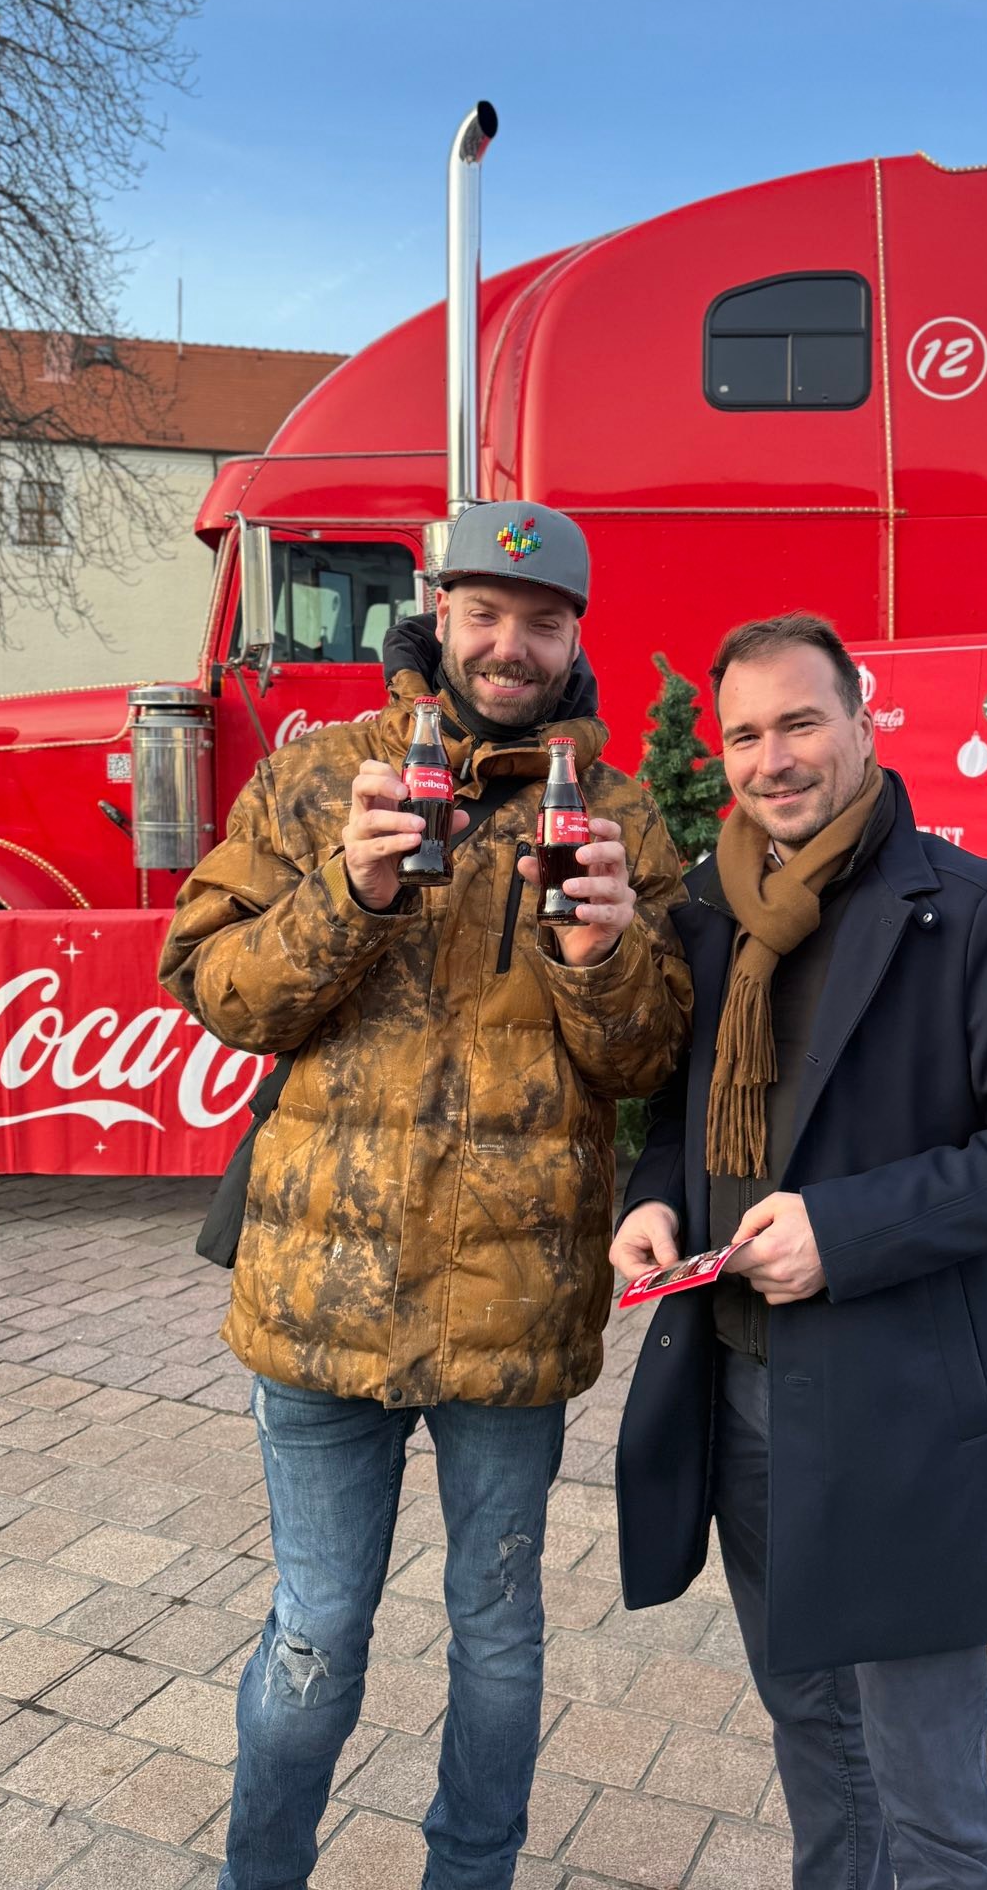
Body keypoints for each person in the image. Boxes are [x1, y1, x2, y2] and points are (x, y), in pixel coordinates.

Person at [159, 501, 691, 1890]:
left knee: (499, 1632)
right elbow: (212, 986)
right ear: (438, 615)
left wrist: (600, 952)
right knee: (317, 1630)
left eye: (544, 620)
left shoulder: (620, 813)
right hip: (319, 1304)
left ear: (578, 634)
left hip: (513, 1309)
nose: (512, 644)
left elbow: (651, 1058)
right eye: (486, 614)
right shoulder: (321, 776)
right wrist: (354, 886)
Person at [610, 613, 987, 1890]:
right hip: (739, 1392)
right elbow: (683, 1116)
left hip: (900, 1408)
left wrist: (848, 1229)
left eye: (799, 721)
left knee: (932, 1790)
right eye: (743, 733)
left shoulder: (977, 909)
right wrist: (654, 1197)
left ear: (863, 724)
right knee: (816, 1747)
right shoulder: (710, 915)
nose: (771, 757)